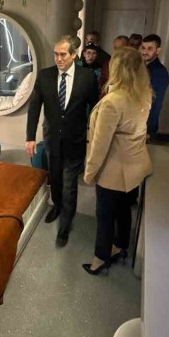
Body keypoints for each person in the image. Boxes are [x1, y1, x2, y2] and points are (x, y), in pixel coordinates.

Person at [82, 47, 153, 275]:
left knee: (104, 216)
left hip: (113, 169)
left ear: (117, 69)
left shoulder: (113, 102)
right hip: (135, 165)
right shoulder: (144, 94)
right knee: (124, 210)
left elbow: (100, 145)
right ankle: (121, 245)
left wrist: (89, 173)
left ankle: (100, 258)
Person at [26, 35, 100, 248]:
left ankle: (65, 226)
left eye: (62, 54)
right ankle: (57, 206)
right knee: (55, 178)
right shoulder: (45, 76)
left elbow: (95, 109)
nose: (58, 59)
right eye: (55, 54)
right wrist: (30, 137)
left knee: (69, 185)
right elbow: (34, 108)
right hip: (52, 139)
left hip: (75, 140)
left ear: (74, 55)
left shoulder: (87, 77)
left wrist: (93, 138)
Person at [140, 34, 169, 138]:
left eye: (149, 48)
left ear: (158, 50)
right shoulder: (142, 67)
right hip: (138, 123)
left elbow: (155, 102)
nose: (145, 52)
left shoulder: (159, 72)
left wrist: (149, 129)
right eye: (143, 48)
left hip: (146, 127)